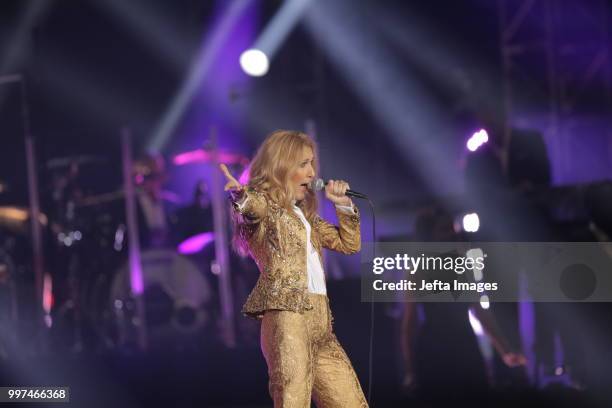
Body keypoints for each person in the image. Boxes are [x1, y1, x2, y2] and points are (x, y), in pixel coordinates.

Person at [220, 130, 368, 408]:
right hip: (288, 317)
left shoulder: (306, 217)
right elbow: (254, 206)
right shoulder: (268, 209)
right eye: (303, 164)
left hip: (321, 325)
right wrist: (240, 196)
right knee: (292, 400)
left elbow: (349, 244)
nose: (312, 173)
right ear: (281, 166)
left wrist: (344, 205)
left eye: (312, 163)